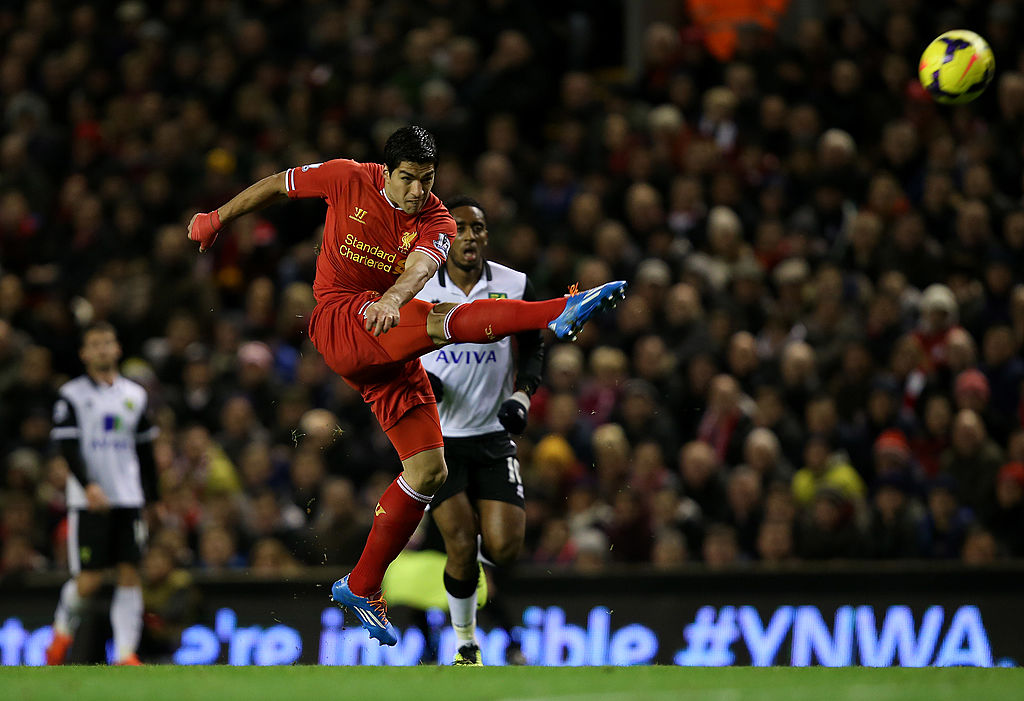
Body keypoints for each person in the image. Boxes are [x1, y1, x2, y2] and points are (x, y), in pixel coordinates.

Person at [186, 126, 625, 645]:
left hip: (384, 335)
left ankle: (361, 583)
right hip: (341, 319)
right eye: (410, 179)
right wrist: (218, 217)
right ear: (387, 171)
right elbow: (277, 185)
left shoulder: (438, 218)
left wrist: (393, 297)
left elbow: (421, 266)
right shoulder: (347, 177)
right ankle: (558, 311)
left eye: (428, 179)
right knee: (445, 318)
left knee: (428, 470)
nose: (419, 191)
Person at [416, 196, 542, 665]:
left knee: (505, 547)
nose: (471, 237)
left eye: (479, 229)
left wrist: (521, 396)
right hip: (438, 441)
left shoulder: (514, 284)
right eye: (461, 229)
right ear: (446, 236)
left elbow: (532, 349)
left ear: (487, 236)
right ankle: (467, 643)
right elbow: (393, 349)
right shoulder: (420, 284)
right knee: (461, 544)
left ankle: (474, 595)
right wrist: (419, 385)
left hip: (492, 435)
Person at [45, 322, 159, 666]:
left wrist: (153, 498)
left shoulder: (135, 395)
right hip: (89, 501)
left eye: (107, 342)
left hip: (129, 497)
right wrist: (88, 485)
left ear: (117, 349)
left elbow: (145, 451)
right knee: (89, 581)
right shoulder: (72, 395)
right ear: (84, 354)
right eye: (94, 344)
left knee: (129, 572)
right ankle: (62, 629)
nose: (102, 349)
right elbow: (67, 446)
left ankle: (126, 653)